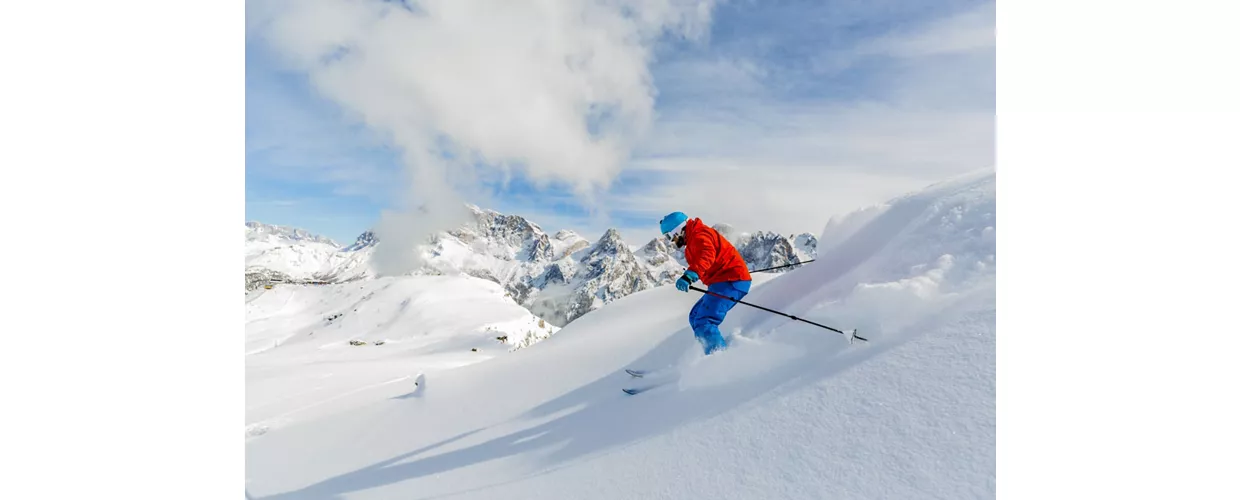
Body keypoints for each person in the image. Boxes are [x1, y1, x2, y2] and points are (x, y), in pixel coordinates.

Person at [659, 211, 752, 355]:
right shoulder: (694, 236)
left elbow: (706, 255)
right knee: (695, 316)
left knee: (704, 321)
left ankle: (719, 361)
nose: (671, 241)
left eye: (669, 236)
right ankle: (710, 351)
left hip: (731, 280)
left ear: (678, 230)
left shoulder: (699, 235)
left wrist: (690, 275)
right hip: (723, 280)